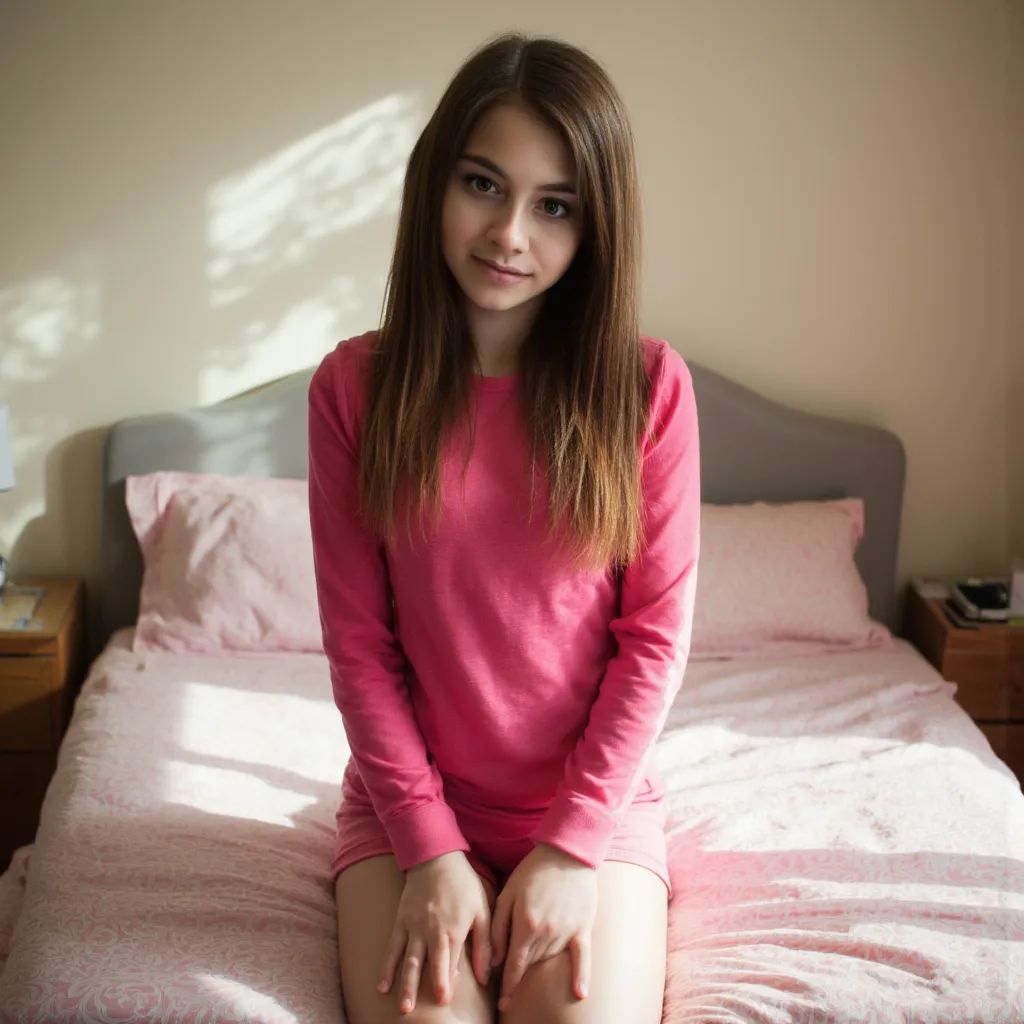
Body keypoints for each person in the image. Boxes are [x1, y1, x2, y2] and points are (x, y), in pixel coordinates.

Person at [308, 31, 700, 1024]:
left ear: (593, 226)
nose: (510, 234)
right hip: (410, 812)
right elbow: (360, 648)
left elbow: (650, 642)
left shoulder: (647, 389)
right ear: (435, 183)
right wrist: (430, 849)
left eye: (554, 205)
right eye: (483, 185)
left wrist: (572, 847)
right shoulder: (354, 388)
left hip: (587, 816)